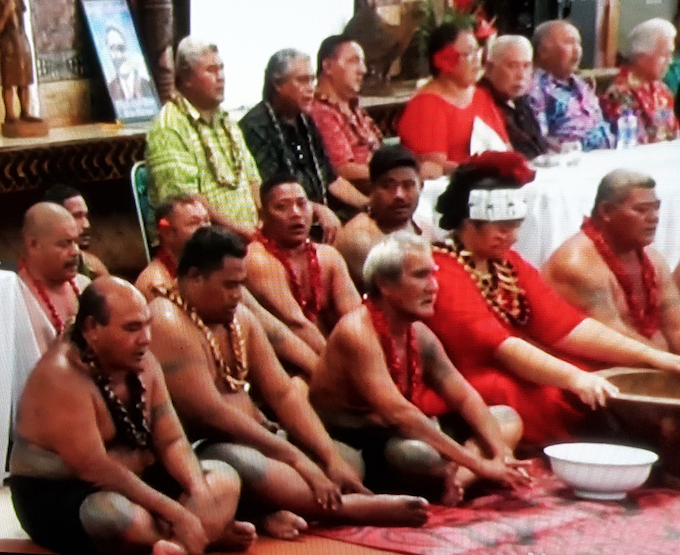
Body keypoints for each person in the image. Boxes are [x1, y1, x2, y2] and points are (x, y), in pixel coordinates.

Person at [148, 227, 429, 539]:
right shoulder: (167, 321)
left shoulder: (238, 315)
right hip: (196, 453)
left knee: (345, 462)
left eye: (240, 285)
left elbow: (282, 393)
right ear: (194, 277)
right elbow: (211, 413)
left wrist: (328, 457)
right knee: (241, 462)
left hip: (255, 434)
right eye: (229, 285)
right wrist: (295, 458)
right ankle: (348, 509)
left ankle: (272, 510)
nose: (237, 295)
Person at [427, 151, 680, 445]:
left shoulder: (509, 263)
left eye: (516, 227)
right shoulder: (442, 269)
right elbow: (503, 348)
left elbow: (566, 325)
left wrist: (659, 358)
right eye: (501, 229)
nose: (511, 237)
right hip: (467, 374)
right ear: (467, 224)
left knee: (600, 377)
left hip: (515, 361)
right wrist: (574, 378)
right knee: (554, 394)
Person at [9, 277, 256, 555]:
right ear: (92, 328)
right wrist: (178, 514)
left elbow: (172, 441)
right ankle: (204, 533)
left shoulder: (144, 361)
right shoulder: (61, 376)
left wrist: (199, 492)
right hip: (63, 493)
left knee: (223, 478)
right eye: (132, 328)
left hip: (136, 481)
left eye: (147, 324)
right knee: (116, 515)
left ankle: (176, 545)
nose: (146, 338)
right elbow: (95, 469)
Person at [310, 232, 530, 504]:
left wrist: (500, 453)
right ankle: (468, 472)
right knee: (413, 454)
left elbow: (463, 396)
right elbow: (399, 414)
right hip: (359, 441)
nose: (433, 287)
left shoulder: (419, 333)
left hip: (410, 430)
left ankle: (459, 476)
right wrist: (481, 464)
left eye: (432, 275)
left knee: (506, 417)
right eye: (420, 276)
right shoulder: (357, 332)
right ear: (384, 284)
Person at [134, 194, 319, 378]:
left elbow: (274, 331)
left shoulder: (222, 274)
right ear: (167, 233)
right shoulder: (154, 284)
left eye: (207, 222)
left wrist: (319, 370)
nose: (205, 230)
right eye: (194, 223)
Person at [543, 169, 680, 353]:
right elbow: (614, 340)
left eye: (656, 208)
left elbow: (675, 325)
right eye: (641, 209)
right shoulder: (575, 264)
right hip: (598, 369)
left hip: (654, 364)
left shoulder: (652, 258)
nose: (654, 217)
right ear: (606, 211)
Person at [239, 48, 368, 230]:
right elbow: (273, 192)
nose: (310, 88)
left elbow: (331, 179)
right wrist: (316, 209)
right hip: (288, 222)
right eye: (302, 81)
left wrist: (368, 204)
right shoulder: (256, 126)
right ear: (277, 83)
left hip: (323, 213)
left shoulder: (305, 120)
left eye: (312, 80)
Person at [146, 37, 260, 240]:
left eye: (221, 68)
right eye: (211, 70)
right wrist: (247, 234)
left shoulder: (227, 120)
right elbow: (188, 205)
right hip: (207, 244)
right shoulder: (168, 126)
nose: (221, 77)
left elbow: (253, 180)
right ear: (187, 77)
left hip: (250, 237)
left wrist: (264, 225)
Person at [245, 175, 361, 353]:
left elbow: (355, 318)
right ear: (263, 215)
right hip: (287, 361)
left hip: (336, 357)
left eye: (301, 204)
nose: (296, 213)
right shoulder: (257, 259)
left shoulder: (329, 256)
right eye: (282, 207)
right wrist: (335, 369)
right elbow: (295, 324)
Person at [397, 22, 509, 178]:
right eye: (469, 53)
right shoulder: (426, 105)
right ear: (444, 59)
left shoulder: (481, 96)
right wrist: (482, 171)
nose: (477, 59)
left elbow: (505, 147)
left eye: (477, 51)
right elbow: (434, 167)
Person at [334, 144, 439, 289]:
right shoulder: (358, 238)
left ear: (420, 187)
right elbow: (396, 293)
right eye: (387, 186)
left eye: (408, 185)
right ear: (371, 189)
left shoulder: (423, 226)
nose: (399, 195)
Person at [310, 35, 382, 192]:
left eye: (362, 62)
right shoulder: (321, 111)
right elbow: (342, 168)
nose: (363, 70)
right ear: (328, 67)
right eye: (353, 61)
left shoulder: (352, 106)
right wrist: (391, 173)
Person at [529, 20, 614, 151]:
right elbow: (539, 140)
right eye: (569, 42)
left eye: (578, 43)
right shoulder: (535, 88)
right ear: (543, 51)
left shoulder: (582, 83)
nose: (577, 50)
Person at [18, 202, 90, 354]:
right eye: (65, 244)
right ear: (33, 244)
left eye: (76, 242)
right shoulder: (17, 299)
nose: (75, 252)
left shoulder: (84, 286)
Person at [601, 18, 679, 144]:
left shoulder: (661, 89)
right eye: (665, 55)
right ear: (642, 55)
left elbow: (675, 132)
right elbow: (635, 145)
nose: (669, 61)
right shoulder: (620, 93)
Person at [478, 35, 552, 160]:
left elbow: (538, 147)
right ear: (489, 69)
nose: (521, 75)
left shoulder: (521, 100)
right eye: (512, 66)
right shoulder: (481, 101)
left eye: (526, 66)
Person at [43, 184, 109, 279]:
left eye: (86, 216)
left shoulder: (93, 268)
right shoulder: (35, 271)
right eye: (77, 216)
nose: (86, 225)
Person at [105, 25, 153, 102]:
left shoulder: (147, 85)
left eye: (121, 48)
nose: (118, 55)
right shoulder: (109, 89)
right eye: (112, 48)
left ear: (127, 49)